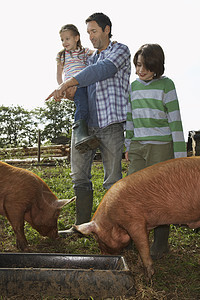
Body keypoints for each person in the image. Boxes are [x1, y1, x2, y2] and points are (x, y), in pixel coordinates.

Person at [50, 13, 131, 235]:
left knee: (112, 179)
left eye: (93, 31)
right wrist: (69, 92)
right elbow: (83, 84)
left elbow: (101, 71)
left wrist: (69, 81)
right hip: (87, 124)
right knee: (78, 175)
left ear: (106, 29)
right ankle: (81, 225)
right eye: (88, 33)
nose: (90, 36)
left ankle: (111, 227)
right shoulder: (90, 58)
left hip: (111, 123)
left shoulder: (120, 50)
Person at [125, 43, 187, 259]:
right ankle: (131, 238)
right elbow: (130, 118)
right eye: (138, 65)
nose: (141, 70)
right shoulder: (133, 87)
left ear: (157, 66)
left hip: (161, 147)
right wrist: (128, 144)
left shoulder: (166, 85)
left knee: (159, 196)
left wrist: (180, 158)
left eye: (146, 66)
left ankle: (160, 244)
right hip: (138, 147)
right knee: (132, 192)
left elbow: (175, 121)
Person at [53, 24, 99, 153]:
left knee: (88, 107)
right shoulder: (61, 55)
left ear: (76, 38)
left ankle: (87, 132)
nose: (64, 42)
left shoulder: (83, 51)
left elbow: (98, 52)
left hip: (85, 84)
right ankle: (79, 135)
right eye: (62, 40)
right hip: (72, 86)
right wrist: (62, 88)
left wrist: (111, 45)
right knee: (82, 106)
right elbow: (58, 74)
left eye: (67, 39)